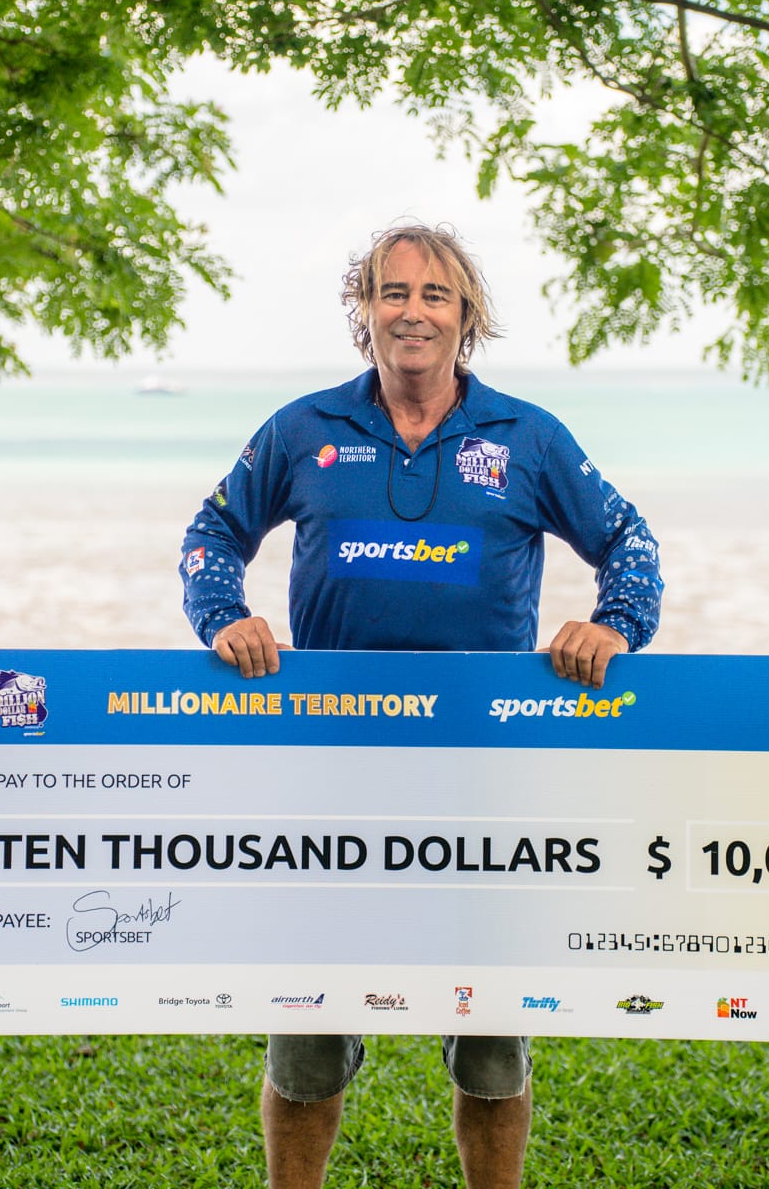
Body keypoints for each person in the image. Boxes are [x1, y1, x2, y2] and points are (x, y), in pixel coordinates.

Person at [178, 223, 663, 1189]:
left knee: (491, 1051)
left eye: (435, 296)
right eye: (392, 293)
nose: (413, 311)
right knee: (307, 1041)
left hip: (485, 786)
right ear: (365, 313)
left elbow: (629, 540)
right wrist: (224, 614)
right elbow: (212, 532)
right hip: (330, 781)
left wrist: (615, 624)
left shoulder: (527, 438)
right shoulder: (302, 429)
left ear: (466, 317)